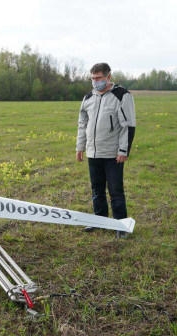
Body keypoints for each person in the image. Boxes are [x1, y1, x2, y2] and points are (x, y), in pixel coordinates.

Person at [76, 63, 136, 238]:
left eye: (99, 78)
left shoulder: (122, 95)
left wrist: (123, 150)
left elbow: (128, 126)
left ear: (108, 77)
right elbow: (82, 124)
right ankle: (100, 221)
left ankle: (121, 225)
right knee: (97, 189)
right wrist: (80, 147)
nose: (96, 82)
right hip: (93, 153)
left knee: (116, 191)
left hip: (113, 154)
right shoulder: (88, 97)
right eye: (93, 78)